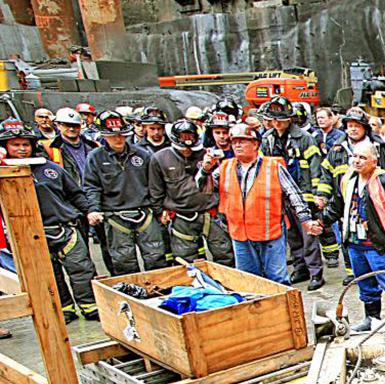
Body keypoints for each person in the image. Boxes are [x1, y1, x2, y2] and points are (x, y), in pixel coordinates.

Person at [1, 119, 98, 320]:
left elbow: (75, 193)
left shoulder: (50, 169)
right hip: (31, 235)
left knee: (82, 270)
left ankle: (90, 307)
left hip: (65, 229)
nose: (21, 149)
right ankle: (64, 310)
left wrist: (89, 211)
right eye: (15, 145)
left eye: (25, 144)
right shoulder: (3, 175)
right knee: (50, 277)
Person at [319, 143, 385, 332]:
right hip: (356, 245)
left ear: (374, 161)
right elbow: (337, 205)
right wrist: (321, 222)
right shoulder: (348, 179)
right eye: (355, 156)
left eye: (362, 157)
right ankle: (371, 318)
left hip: (379, 245)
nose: (356, 161)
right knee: (366, 286)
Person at [203, 124, 320, 284]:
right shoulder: (225, 167)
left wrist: (305, 220)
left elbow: (294, 194)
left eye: (243, 141)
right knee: (249, 281)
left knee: (277, 280)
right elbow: (203, 189)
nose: (237, 145)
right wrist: (205, 170)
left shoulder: (273, 166)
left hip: (270, 234)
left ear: (256, 144)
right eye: (235, 141)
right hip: (240, 235)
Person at [257, 96, 330, 289]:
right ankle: (300, 269)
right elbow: (263, 168)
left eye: (280, 119)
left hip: (303, 195)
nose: (277, 123)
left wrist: (317, 194)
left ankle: (316, 273)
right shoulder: (267, 140)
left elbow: (316, 167)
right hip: (280, 197)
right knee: (292, 237)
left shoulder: (305, 139)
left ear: (290, 118)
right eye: (273, 119)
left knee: (309, 236)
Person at [83, 111, 164, 276]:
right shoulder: (95, 158)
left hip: (144, 212)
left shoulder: (142, 155)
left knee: (156, 255)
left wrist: (159, 209)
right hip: (114, 215)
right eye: (113, 136)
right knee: (123, 260)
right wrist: (94, 209)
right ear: (104, 136)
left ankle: (161, 291)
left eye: (121, 135)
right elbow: (91, 186)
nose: (118, 139)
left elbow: (155, 184)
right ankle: (131, 295)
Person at [147, 119, 234, 266]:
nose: (187, 148)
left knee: (224, 253)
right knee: (185, 260)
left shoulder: (208, 154)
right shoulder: (160, 158)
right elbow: (156, 189)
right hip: (181, 215)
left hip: (210, 213)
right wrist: (159, 211)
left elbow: (222, 184)